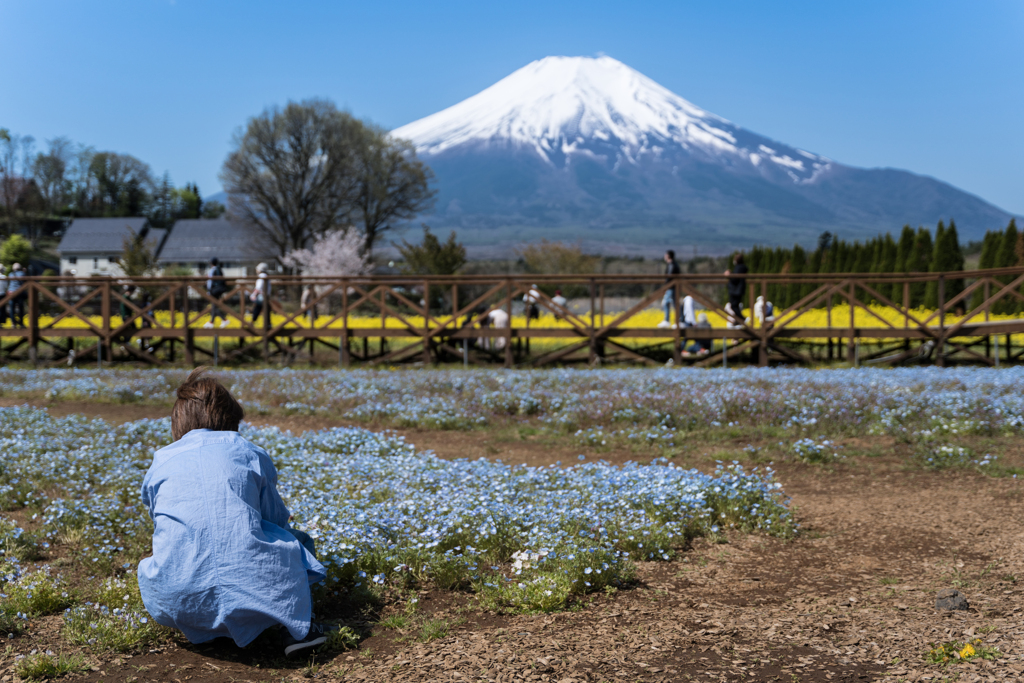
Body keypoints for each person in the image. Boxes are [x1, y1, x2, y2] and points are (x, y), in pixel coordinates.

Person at [137, 368, 334, 656]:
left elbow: (160, 522)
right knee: (296, 543)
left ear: (178, 423)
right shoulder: (248, 451)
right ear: (230, 420)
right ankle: (295, 631)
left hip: (174, 598)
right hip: (252, 585)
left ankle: (206, 626)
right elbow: (275, 519)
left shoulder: (162, 460)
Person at [657, 250, 681, 329]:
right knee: (674, 303)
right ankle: (678, 321)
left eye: (665, 255)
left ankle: (668, 321)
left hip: (671, 287)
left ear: (668, 256)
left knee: (667, 303)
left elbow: (669, 277)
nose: (664, 256)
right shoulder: (674, 264)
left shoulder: (671, 264)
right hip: (673, 287)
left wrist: (665, 286)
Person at [204, 258, 229, 329]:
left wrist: (209, 291)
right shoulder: (220, 269)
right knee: (214, 305)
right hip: (220, 289)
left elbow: (210, 282)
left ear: (211, 263)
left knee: (214, 306)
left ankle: (224, 319)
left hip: (214, 290)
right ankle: (211, 322)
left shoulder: (212, 270)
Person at [724, 253, 748, 327]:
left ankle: (742, 319)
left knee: (733, 306)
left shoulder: (738, 268)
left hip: (736, 290)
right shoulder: (742, 268)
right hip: (738, 290)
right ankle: (738, 320)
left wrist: (729, 274)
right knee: (735, 306)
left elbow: (735, 279)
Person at [8, 263, 26, 328]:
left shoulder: (10, 274)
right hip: (19, 293)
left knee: (12, 308)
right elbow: (25, 281)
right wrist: (24, 271)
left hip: (11, 293)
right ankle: (21, 323)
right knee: (21, 308)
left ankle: (13, 323)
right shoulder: (22, 273)